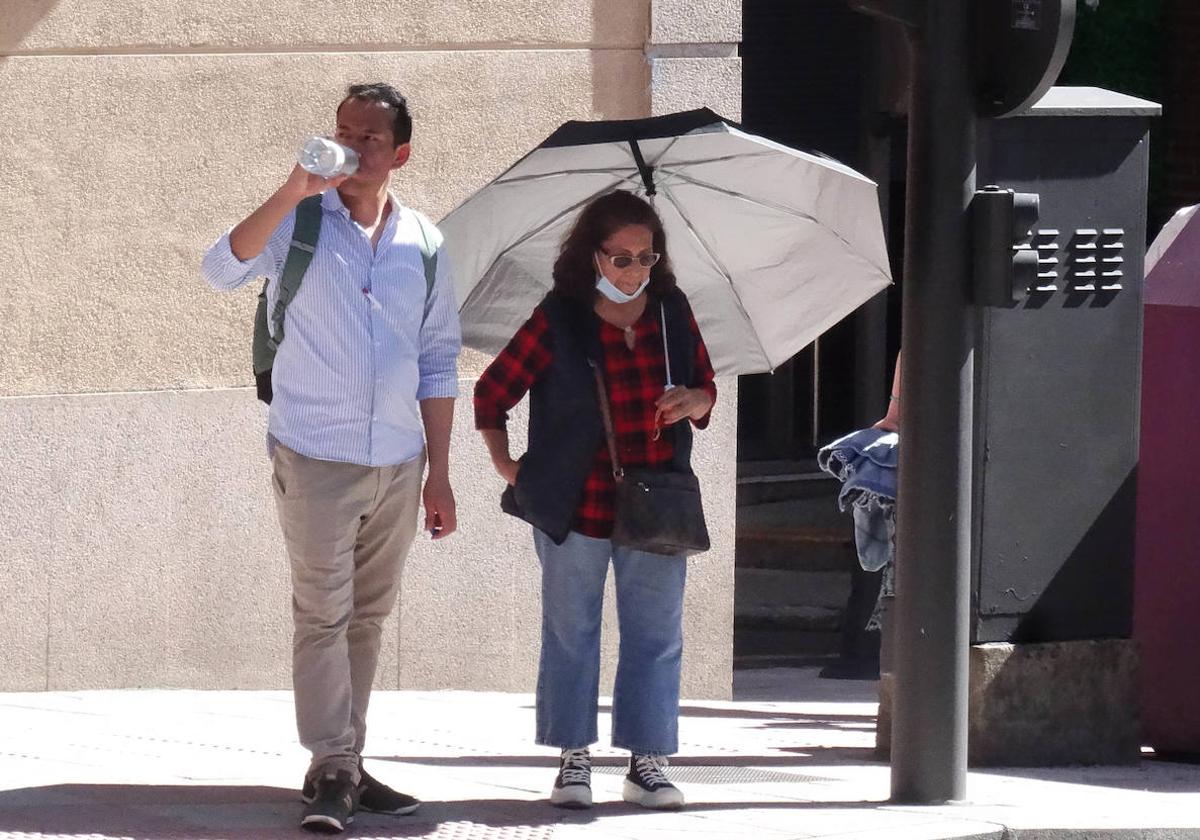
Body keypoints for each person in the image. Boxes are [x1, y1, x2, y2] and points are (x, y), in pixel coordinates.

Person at [200, 82, 461, 833]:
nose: (351, 147)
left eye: (369, 138)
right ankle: (333, 766)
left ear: (401, 154)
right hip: (314, 452)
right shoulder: (300, 223)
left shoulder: (426, 243)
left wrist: (439, 473)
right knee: (322, 613)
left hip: (399, 460)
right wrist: (291, 189)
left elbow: (439, 361)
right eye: (342, 132)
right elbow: (220, 268)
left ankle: (345, 759)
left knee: (368, 617)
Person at [473, 190, 716, 811]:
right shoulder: (559, 317)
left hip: (656, 499)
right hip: (573, 505)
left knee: (656, 634)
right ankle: (573, 757)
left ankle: (648, 761)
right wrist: (509, 468)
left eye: (645, 258)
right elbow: (491, 394)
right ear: (592, 258)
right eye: (621, 259)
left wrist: (693, 400)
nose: (635, 271)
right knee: (571, 631)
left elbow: (706, 386)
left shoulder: (670, 312)